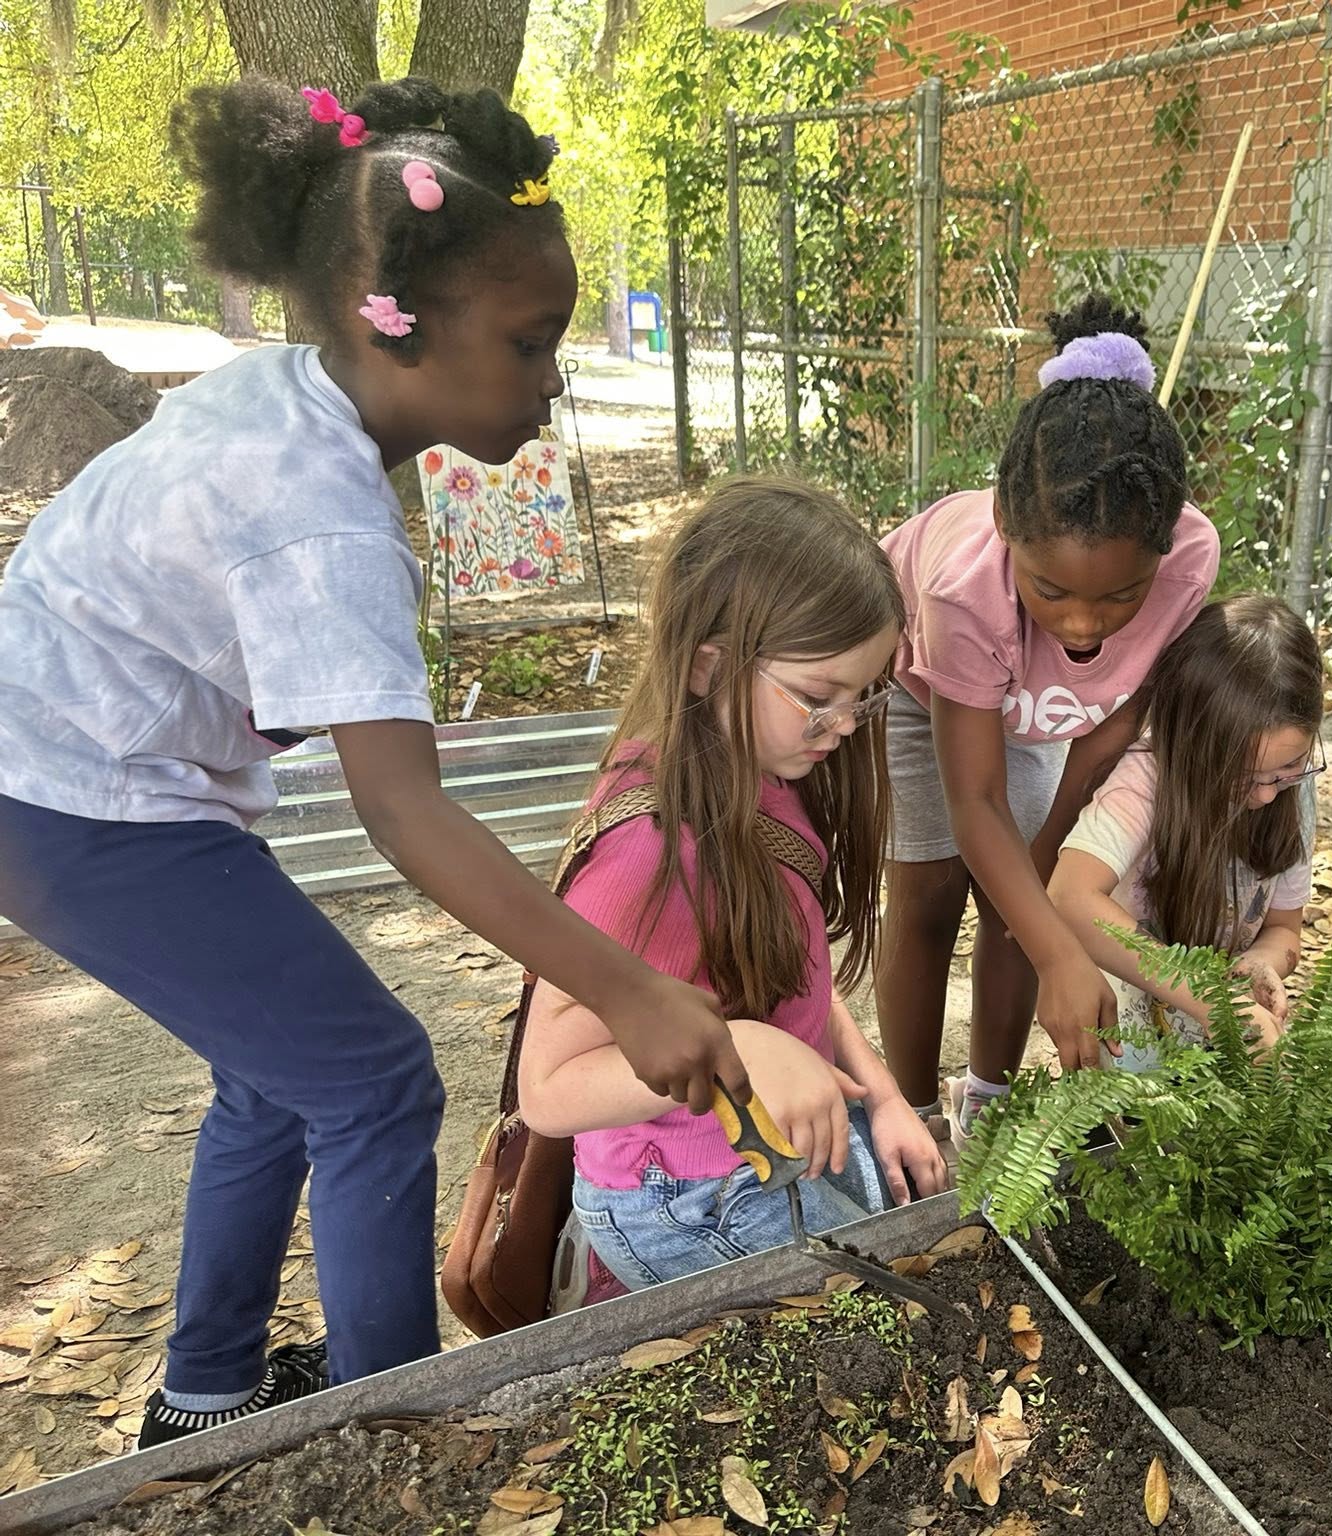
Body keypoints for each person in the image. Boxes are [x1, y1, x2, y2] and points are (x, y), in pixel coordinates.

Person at [0, 78, 745, 1446]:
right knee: (378, 1080)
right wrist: (628, 988)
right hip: (78, 802)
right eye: (529, 344)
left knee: (282, 1072)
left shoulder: (293, 399)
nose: (552, 379)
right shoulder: (325, 518)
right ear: (390, 324)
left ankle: (206, 1395)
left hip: (71, 775)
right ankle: (393, 1444)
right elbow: (405, 812)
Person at [517, 477, 948, 1285]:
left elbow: (793, 974)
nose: (848, 725)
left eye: (865, 695)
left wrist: (883, 1098)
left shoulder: (766, 773)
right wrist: (741, 1044)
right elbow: (547, 1090)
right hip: (691, 1193)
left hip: (772, 1148)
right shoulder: (649, 849)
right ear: (709, 667)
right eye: (820, 697)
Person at [876, 295, 1219, 1134]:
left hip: (1040, 711)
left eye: (1120, 596)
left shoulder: (1189, 562)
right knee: (928, 891)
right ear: (1004, 526)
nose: (1082, 622)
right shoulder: (967, 594)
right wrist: (1061, 948)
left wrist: (1048, 853)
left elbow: (1119, 715)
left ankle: (986, 1110)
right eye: (1053, 589)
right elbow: (974, 802)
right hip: (919, 688)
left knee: (1015, 899)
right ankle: (913, 1118)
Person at [1051, 595, 1322, 1068]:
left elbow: (1284, 929)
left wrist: (1263, 962)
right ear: (1188, 742)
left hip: (1227, 1033)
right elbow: (1068, 896)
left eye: (1287, 769)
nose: (1264, 795)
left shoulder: (1292, 793)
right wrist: (1214, 1001)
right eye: (1238, 775)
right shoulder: (1146, 781)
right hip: (1130, 1037)